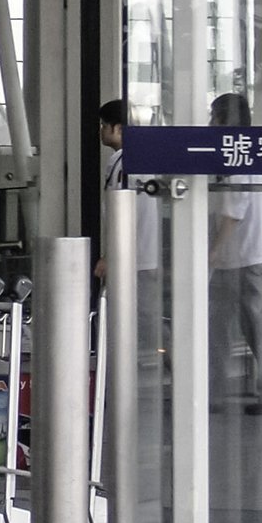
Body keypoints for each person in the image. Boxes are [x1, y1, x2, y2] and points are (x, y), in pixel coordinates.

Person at [207, 93, 262, 415]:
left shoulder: (237, 155)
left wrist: (212, 253)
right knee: (255, 328)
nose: (210, 123)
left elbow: (234, 212)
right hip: (256, 254)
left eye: (214, 116)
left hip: (239, 258)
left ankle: (220, 394)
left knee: (222, 329)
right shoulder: (255, 151)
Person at [97, 100, 163, 358]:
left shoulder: (127, 165)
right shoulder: (132, 160)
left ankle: (180, 370)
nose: (101, 131)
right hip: (139, 256)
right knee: (141, 320)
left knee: (146, 321)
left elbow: (125, 214)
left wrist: (109, 256)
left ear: (119, 128)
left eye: (104, 125)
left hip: (136, 259)